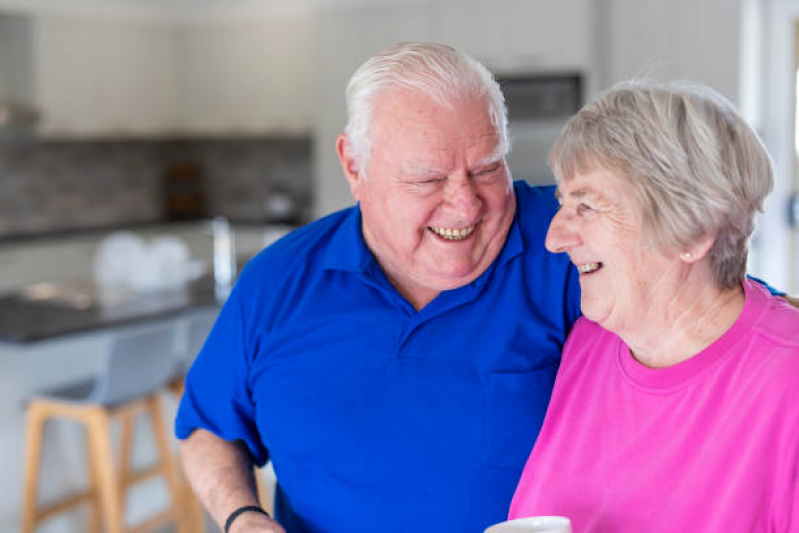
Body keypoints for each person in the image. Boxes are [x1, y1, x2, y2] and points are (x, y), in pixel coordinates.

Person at [175, 42, 581, 533]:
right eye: (427, 179)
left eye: (487, 168)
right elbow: (209, 429)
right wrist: (242, 518)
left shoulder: (571, 247)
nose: (466, 206)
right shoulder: (276, 282)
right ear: (354, 166)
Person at [508, 80, 799, 532]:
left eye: (586, 206)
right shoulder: (589, 346)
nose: (554, 238)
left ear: (692, 231)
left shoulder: (787, 384)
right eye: (563, 203)